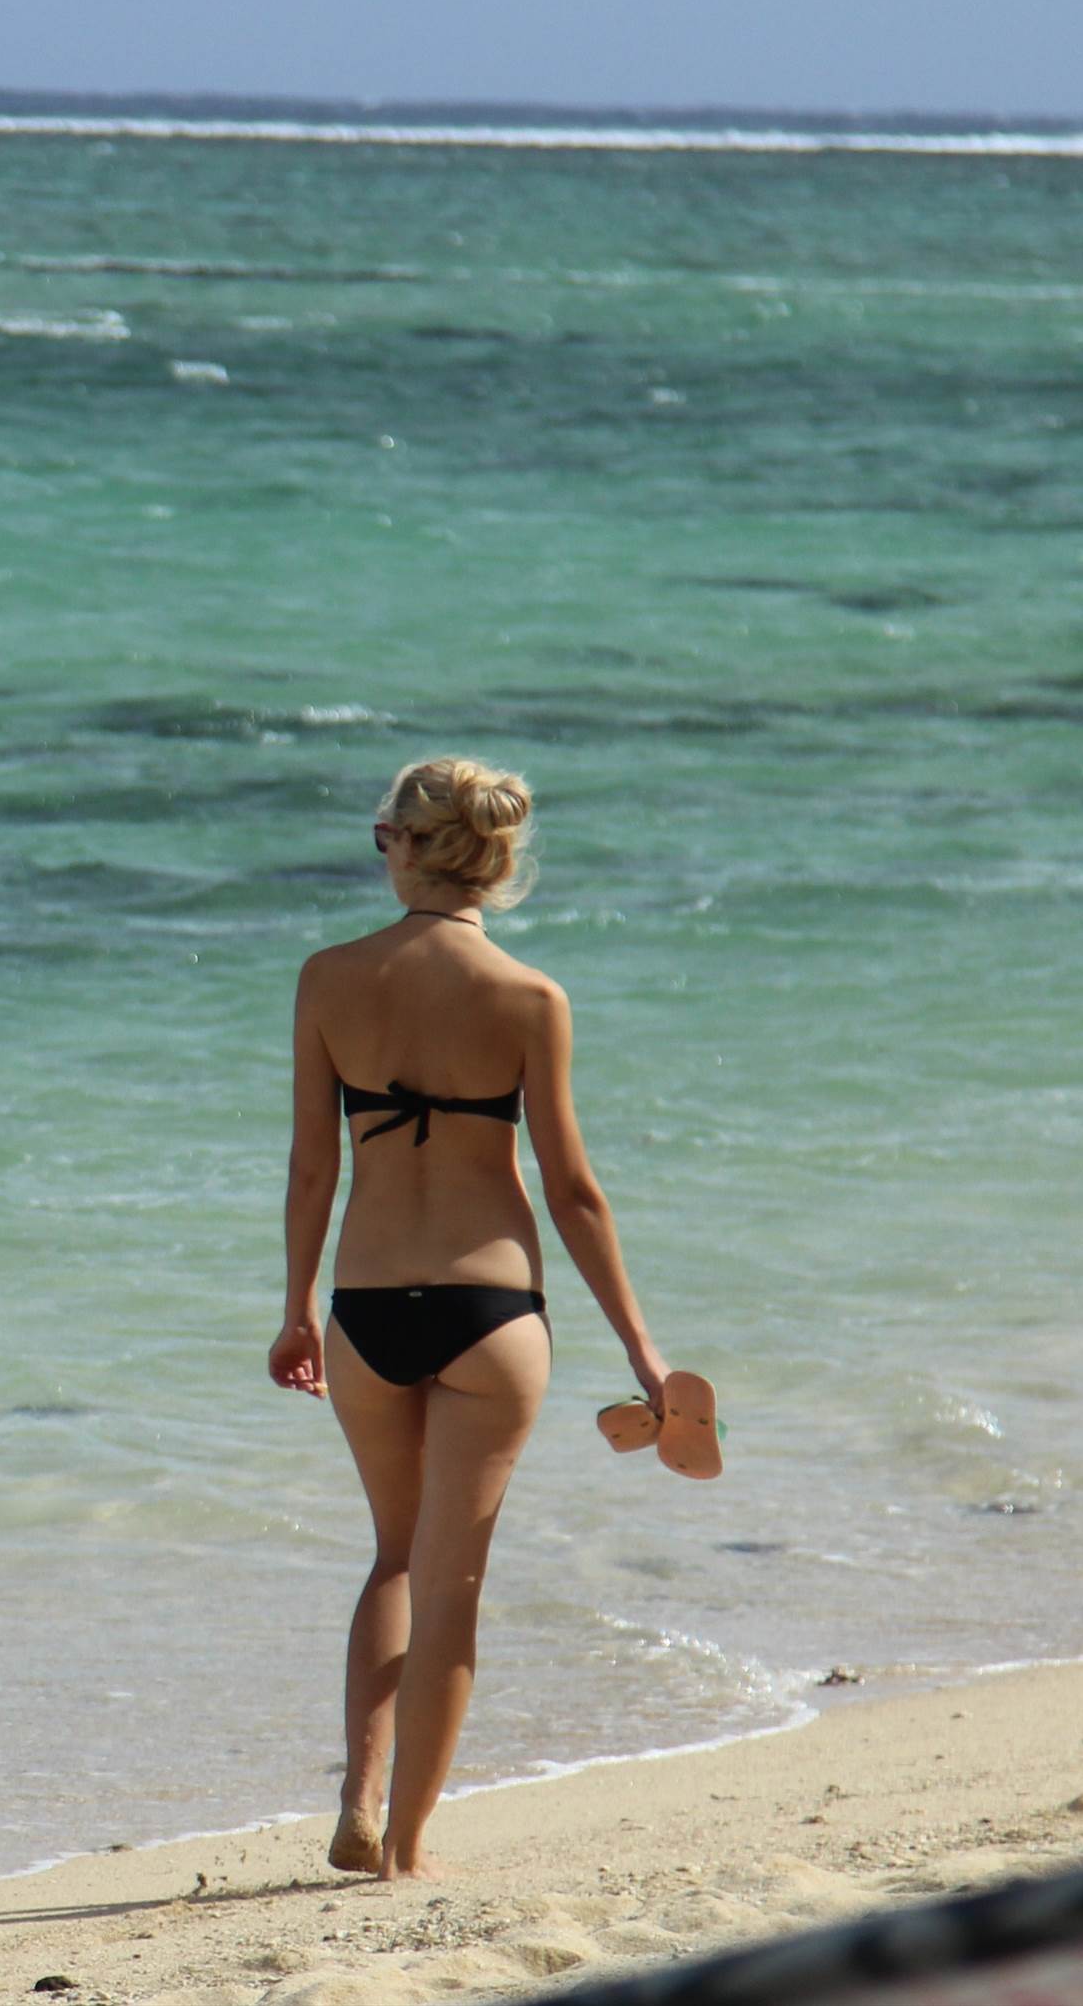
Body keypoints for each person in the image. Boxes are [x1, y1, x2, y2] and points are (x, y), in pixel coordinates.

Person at [268, 756, 674, 1881]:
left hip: (362, 1309)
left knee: (393, 1559)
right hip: (491, 1311)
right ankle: (405, 1849)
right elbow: (573, 1191)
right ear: (492, 860)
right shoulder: (530, 997)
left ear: (405, 845)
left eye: (381, 834)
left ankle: (357, 1799)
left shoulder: (327, 978)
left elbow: (311, 1168)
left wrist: (294, 1310)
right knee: (451, 1586)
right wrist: (643, 1350)